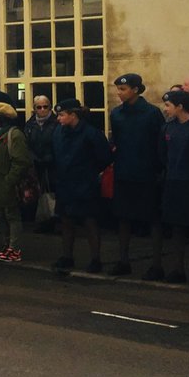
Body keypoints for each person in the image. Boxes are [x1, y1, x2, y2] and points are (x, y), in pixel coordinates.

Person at [107, 73, 166, 278]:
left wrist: (158, 169)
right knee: (123, 218)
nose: (119, 93)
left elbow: (159, 143)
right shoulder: (116, 114)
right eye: (118, 89)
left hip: (147, 173)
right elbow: (116, 141)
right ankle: (123, 261)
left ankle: (157, 265)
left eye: (123, 89)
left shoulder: (151, 113)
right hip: (125, 171)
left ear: (135, 90)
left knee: (153, 219)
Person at [50, 99, 112, 274]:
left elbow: (105, 157)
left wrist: (90, 172)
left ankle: (95, 259)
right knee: (66, 221)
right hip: (64, 182)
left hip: (85, 183)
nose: (59, 119)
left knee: (90, 221)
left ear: (73, 115)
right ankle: (67, 256)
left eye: (62, 115)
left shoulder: (91, 134)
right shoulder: (58, 133)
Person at [158, 90, 189, 285]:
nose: (165, 109)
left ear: (180, 106)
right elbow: (162, 155)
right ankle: (178, 268)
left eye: (168, 105)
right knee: (177, 228)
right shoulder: (167, 129)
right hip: (173, 182)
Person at [0, 103, 32, 262]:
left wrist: (10, 180)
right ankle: (7, 243)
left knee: (11, 215)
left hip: (6, 182)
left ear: (0, 117)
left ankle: (14, 248)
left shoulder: (14, 135)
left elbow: (21, 161)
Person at [22, 94, 57, 231]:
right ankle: (39, 220)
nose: (42, 110)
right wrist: (33, 157)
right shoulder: (30, 124)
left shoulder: (55, 123)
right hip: (36, 163)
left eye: (45, 107)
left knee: (51, 192)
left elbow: (57, 142)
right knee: (37, 192)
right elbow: (27, 143)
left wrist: (50, 157)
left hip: (52, 164)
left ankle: (51, 220)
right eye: (39, 107)